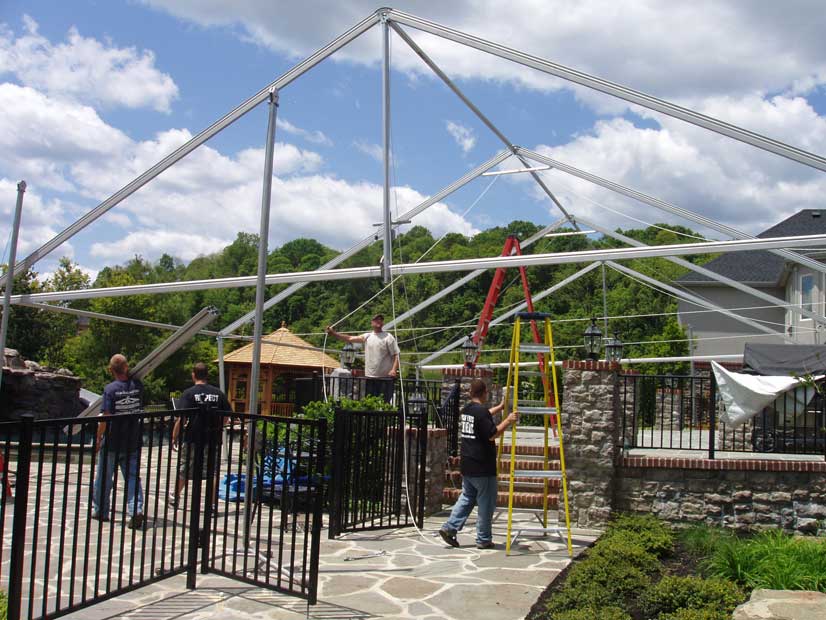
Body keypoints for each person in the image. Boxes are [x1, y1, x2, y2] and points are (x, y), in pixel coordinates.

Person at [439, 378, 518, 550]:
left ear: (470, 393)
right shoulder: (481, 412)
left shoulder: (467, 409)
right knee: (486, 504)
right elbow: (492, 434)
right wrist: (508, 420)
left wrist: (500, 407)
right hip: (483, 466)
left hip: (468, 464)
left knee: (467, 497)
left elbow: (484, 415)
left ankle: (449, 527)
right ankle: (483, 539)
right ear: (485, 393)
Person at [92, 354, 145, 529]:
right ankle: (136, 509)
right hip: (133, 440)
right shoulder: (138, 386)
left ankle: (101, 511)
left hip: (113, 442)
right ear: (127, 367)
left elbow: (106, 416)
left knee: (104, 478)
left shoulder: (110, 389)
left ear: (110, 370)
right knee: (132, 478)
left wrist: (98, 437)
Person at [169, 362, 231, 508]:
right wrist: (219, 427)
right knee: (212, 471)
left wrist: (174, 437)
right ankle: (212, 504)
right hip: (212, 438)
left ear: (193, 375)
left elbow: (182, 418)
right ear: (207, 375)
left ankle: (175, 497)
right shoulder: (218, 393)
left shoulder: (189, 393)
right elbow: (226, 416)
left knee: (184, 468)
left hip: (193, 437)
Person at [326, 313, 400, 402]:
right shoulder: (367, 336)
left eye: (381, 319)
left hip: (385, 378)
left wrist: (394, 370)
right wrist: (334, 333)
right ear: (372, 323)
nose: (379, 321)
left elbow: (396, 354)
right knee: (370, 403)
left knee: (385, 403)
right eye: (376, 319)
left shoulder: (388, 337)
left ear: (383, 323)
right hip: (370, 377)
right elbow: (350, 338)